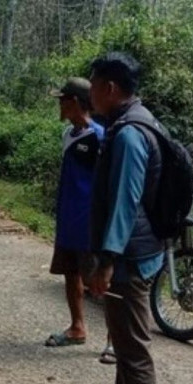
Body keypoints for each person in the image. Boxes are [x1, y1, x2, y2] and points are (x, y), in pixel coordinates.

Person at [77, 53, 165, 384]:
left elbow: (126, 203)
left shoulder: (130, 133)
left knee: (134, 349)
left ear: (110, 88)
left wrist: (107, 259)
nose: (88, 93)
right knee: (123, 337)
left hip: (129, 255)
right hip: (131, 251)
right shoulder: (134, 121)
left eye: (93, 85)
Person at [44, 78, 115, 364]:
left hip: (89, 223)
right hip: (68, 218)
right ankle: (77, 328)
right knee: (70, 273)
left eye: (62, 100)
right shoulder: (67, 134)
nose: (59, 105)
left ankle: (114, 341)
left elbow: (106, 183)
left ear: (74, 102)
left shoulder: (100, 136)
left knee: (102, 284)